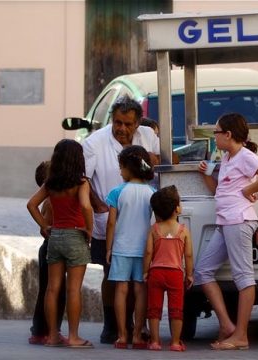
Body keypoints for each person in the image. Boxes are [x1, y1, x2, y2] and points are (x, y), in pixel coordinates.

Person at [195, 113, 258, 350]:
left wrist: (246, 191)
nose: (215, 136)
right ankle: (228, 326)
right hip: (226, 221)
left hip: (238, 220)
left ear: (228, 134)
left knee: (243, 276)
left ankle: (241, 335)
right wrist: (206, 174)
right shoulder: (228, 158)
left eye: (217, 132)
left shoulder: (245, 156)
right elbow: (219, 191)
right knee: (203, 271)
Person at [83, 95, 160, 343]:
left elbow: (160, 164)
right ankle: (112, 326)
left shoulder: (148, 136)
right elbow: (82, 179)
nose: (122, 129)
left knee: (141, 279)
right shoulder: (94, 142)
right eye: (117, 123)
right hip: (109, 222)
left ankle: (137, 327)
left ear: (138, 123)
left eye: (128, 124)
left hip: (142, 223)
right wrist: (98, 204)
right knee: (111, 275)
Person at [27, 139, 93, 348]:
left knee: (52, 288)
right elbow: (86, 206)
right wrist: (89, 230)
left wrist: (45, 226)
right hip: (75, 236)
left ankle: (53, 335)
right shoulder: (82, 183)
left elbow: (31, 204)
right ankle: (74, 336)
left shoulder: (51, 184)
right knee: (73, 289)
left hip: (55, 237)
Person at [105, 145, 155, 349]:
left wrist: (108, 248)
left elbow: (110, 223)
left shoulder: (117, 192)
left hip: (122, 248)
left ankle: (122, 335)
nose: (119, 171)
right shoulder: (152, 192)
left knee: (121, 290)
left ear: (128, 168)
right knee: (141, 290)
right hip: (144, 250)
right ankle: (137, 334)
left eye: (121, 167)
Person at [143, 185, 194, 352]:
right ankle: (175, 342)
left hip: (156, 273)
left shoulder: (154, 229)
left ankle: (155, 342)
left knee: (154, 308)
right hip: (175, 274)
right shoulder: (183, 231)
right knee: (176, 309)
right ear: (177, 208)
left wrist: (145, 271)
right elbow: (188, 256)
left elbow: (149, 252)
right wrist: (190, 275)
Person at [28, 161, 66, 345]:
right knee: (55, 291)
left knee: (47, 289)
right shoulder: (51, 202)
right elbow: (45, 228)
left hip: (47, 247)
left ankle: (39, 330)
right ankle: (49, 330)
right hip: (51, 246)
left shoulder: (48, 201)